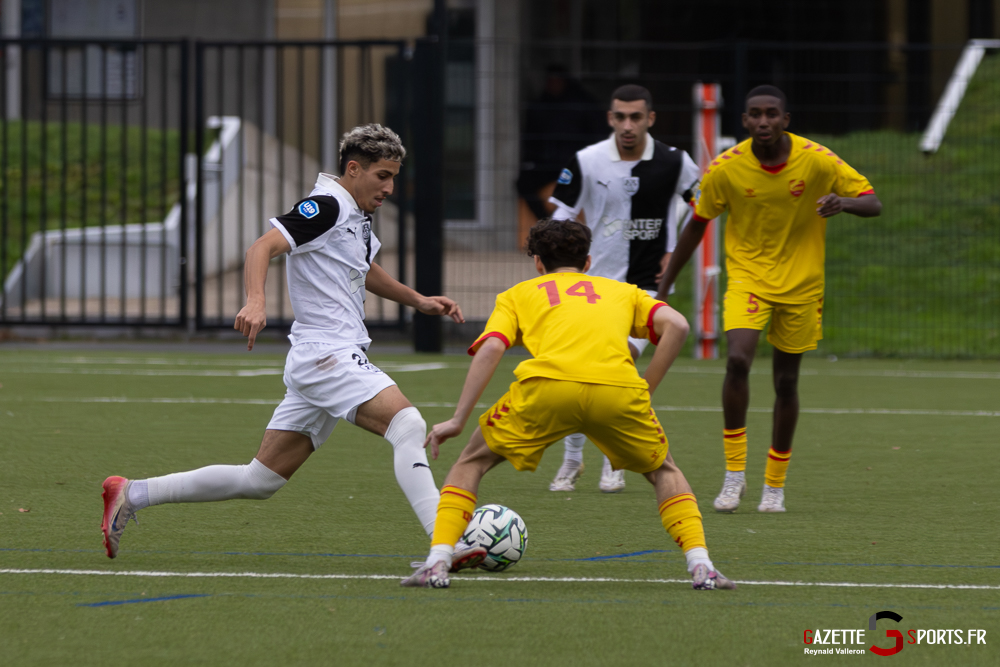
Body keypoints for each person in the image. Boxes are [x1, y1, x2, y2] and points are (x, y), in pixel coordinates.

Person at [101, 124, 480, 572]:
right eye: (382, 175)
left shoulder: (354, 212)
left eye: (394, 176)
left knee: (260, 479)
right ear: (353, 169)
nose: (390, 187)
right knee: (408, 426)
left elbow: (364, 268)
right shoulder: (325, 205)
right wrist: (256, 301)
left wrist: (418, 300)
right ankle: (445, 545)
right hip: (327, 355)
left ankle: (132, 492)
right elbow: (262, 247)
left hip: (322, 358)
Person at [401, 219, 735, 591]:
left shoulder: (518, 294)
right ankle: (702, 565)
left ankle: (437, 562)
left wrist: (458, 419)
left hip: (547, 389)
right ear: (588, 261)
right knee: (665, 471)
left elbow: (493, 346)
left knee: (472, 461)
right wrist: (645, 389)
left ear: (538, 263)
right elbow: (679, 326)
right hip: (618, 392)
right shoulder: (623, 292)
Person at [657, 85, 882, 513]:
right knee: (738, 359)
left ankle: (773, 485)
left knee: (786, 382)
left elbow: (874, 203)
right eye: (755, 114)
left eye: (771, 114)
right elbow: (696, 224)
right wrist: (666, 287)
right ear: (744, 121)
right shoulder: (726, 168)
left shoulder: (816, 158)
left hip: (802, 284)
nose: (763, 121)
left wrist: (844, 202)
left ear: (785, 119)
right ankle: (733, 476)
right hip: (749, 280)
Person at [546, 84, 701, 493]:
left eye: (636, 117)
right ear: (610, 119)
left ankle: (612, 458)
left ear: (651, 118)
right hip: (592, 288)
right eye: (620, 117)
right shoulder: (587, 160)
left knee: (615, 364)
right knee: (582, 369)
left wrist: (674, 248)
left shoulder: (674, 161)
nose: (627, 125)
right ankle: (573, 459)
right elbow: (561, 214)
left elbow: (704, 205)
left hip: (646, 286)